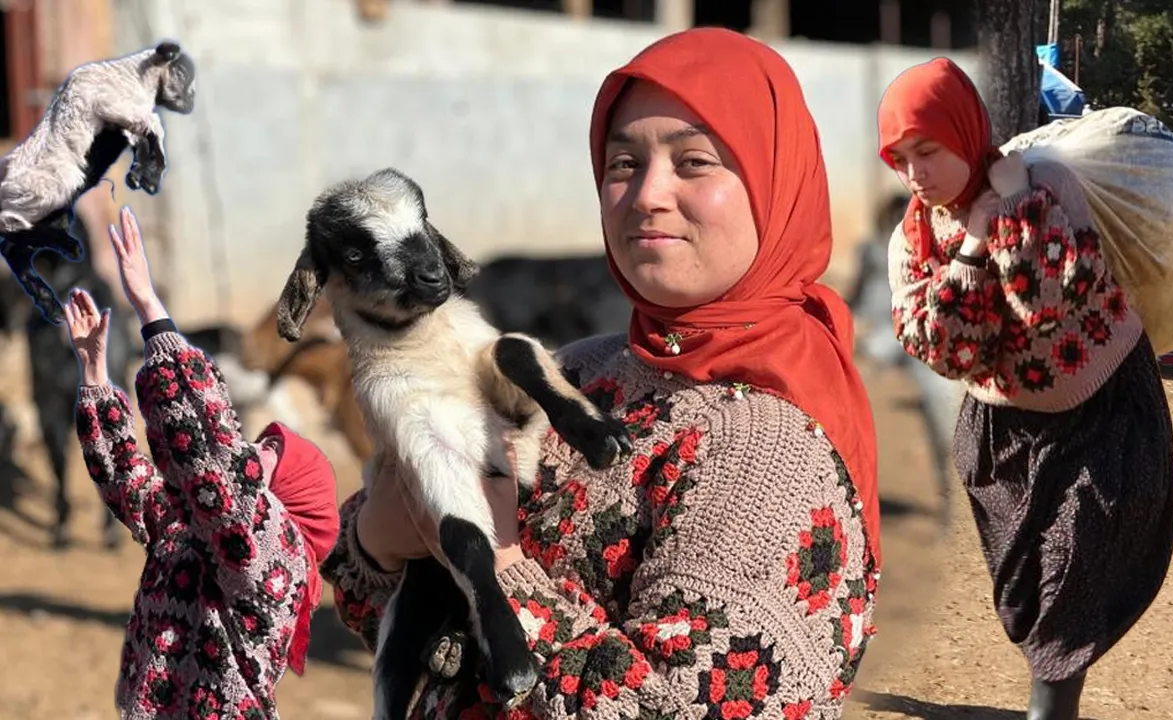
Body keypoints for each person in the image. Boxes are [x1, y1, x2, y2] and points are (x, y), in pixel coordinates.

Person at [320, 27, 881, 718]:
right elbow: (377, 601)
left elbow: (682, 707)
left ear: (774, 179)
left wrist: (497, 568)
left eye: (695, 162)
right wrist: (382, 536)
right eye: (623, 164)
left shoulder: (769, 446)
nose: (647, 195)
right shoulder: (580, 372)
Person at [877, 58, 1173, 720]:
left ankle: (1052, 709)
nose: (915, 173)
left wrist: (1016, 210)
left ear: (964, 132)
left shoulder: (1046, 183)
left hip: (1103, 410)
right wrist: (974, 245)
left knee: (1070, 585)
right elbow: (948, 351)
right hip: (999, 431)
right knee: (1022, 598)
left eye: (928, 150)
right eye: (900, 158)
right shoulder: (914, 239)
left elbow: (1051, 303)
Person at [67, 206, 341, 719]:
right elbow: (133, 484)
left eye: (271, 453)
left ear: (291, 498)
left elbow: (212, 460)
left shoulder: (274, 554)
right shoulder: (198, 532)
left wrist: (152, 311)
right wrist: (96, 377)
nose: (255, 450)